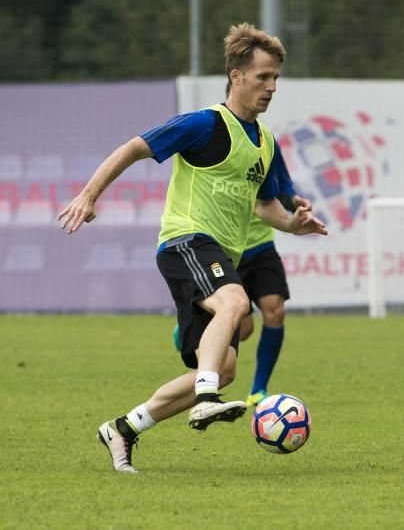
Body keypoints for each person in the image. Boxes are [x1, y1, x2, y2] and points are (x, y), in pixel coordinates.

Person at [58, 23, 328, 474]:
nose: (272, 87)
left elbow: (266, 208)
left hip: (221, 255)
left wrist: (294, 225)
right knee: (237, 304)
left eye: (276, 78)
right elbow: (134, 148)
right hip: (185, 241)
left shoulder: (264, 142)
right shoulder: (204, 123)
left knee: (224, 368)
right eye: (263, 76)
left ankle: (124, 428)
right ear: (236, 75)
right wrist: (89, 195)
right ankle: (205, 399)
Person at [173, 141, 305, 406]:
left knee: (275, 310)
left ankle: (258, 390)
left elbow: (284, 184)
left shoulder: (266, 143)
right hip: (229, 249)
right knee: (242, 327)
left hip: (263, 246)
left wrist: (293, 201)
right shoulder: (218, 144)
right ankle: (191, 328)